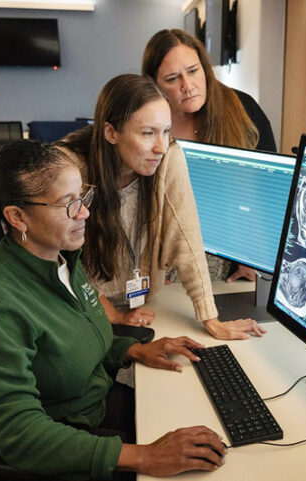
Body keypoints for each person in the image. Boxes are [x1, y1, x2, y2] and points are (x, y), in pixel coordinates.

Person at [0, 140, 227, 480]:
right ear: (17, 217)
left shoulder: (60, 258)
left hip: (90, 410)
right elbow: (18, 433)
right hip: (48, 448)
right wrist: (144, 456)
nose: (84, 213)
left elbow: (75, 339)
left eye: (83, 196)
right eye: (68, 205)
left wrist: (135, 348)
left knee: (195, 420)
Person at [58, 74, 265, 341]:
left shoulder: (169, 157)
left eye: (166, 131)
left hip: (143, 304)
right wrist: (110, 312)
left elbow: (187, 238)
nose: (161, 146)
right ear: (111, 132)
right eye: (147, 133)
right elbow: (58, 257)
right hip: (80, 305)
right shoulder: (70, 167)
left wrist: (210, 318)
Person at [142, 28, 277, 283]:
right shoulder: (148, 121)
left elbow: (268, 192)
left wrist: (253, 256)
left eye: (193, 71)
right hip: (162, 256)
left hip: (228, 257)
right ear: (154, 85)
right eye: (172, 78)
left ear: (204, 68)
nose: (188, 86)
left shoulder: (243, 110)